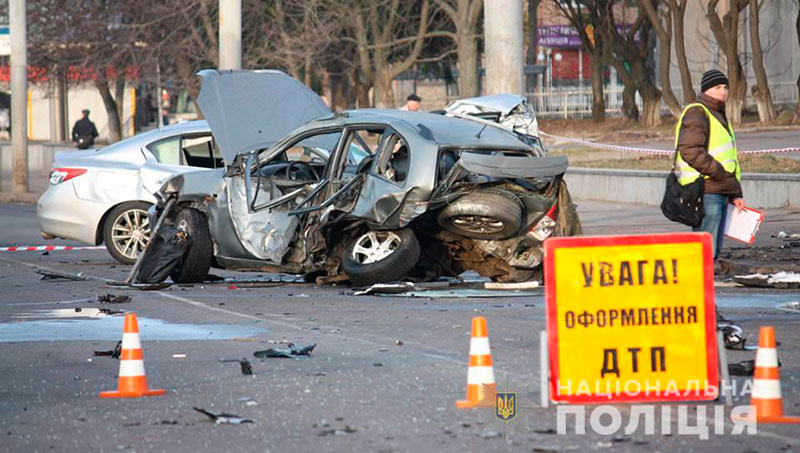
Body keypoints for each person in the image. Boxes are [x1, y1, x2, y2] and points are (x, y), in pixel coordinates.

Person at [674, 69, 744, 273]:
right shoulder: (698, 112)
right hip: (707, 189)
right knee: (706, 251)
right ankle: (700, 297)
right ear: (706, 90)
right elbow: (690, 150)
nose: (723, 92)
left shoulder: (718, 114)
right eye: (717, 88)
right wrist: (718, 173)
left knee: (711, 250)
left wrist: (735, 193)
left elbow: (730, 159)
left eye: (725, 87)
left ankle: (708, 296)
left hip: (720, 189)